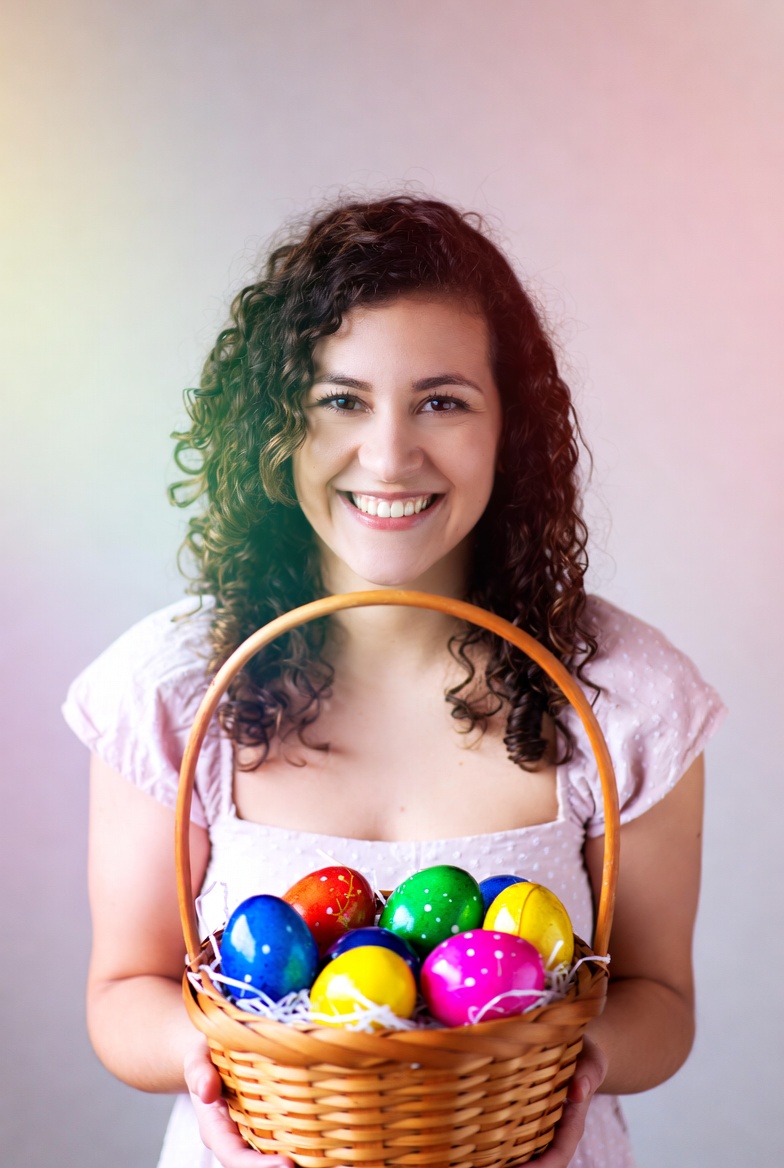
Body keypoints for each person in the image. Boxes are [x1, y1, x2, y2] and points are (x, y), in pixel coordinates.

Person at [63, 195, 725, 1168]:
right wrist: (218, 1066)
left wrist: (564, 1067)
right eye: (341, 400)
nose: (387, 454)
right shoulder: (173, 690)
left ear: (512, 430)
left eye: (442, 401)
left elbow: (660, 1002)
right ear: (278, 428)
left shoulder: (623, 696)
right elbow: (124, 990)